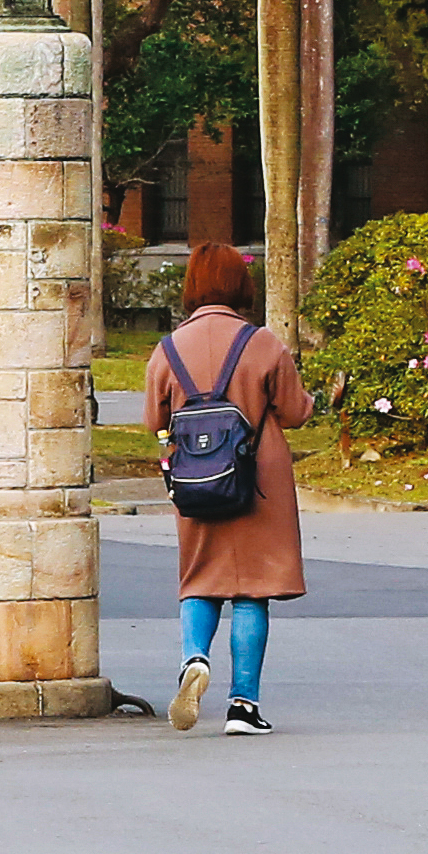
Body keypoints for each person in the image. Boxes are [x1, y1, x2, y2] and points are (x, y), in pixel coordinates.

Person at [146, 266, 310, 732]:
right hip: (258, 479)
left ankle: (194, 658)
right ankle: (243, 706)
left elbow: (151, 418)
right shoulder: (263, 343)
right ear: (241, 288)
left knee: (201, 577)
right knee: (253, 589)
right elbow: (294, 411)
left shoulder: (168, 349)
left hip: (195, 477)